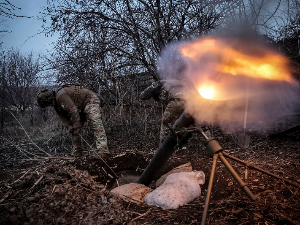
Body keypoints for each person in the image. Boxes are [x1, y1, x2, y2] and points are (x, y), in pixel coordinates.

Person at [37, 84, 111, 158]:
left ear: (48, 99)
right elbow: (63, 117)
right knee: (73, 131)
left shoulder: (61, 96)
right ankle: (77, 152)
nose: (49, 106)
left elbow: (73, 110)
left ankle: (103, 151)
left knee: (96, 124)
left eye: (47, 104)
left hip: (89, 100)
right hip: (79, 107)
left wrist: (76, 126)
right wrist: (69, 126)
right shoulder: (56, 104)